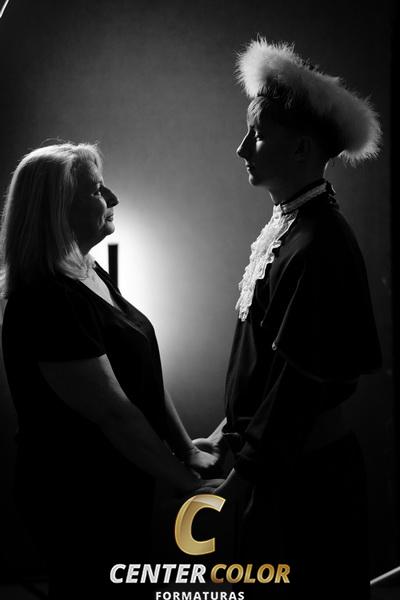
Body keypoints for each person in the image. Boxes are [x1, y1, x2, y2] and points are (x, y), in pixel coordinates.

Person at [196, 40, 382, 598]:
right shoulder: (294, 228)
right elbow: (266, 364)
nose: (241, 149)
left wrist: (241, 480)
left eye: (255, 135)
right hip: (283, 468)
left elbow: (297, 384)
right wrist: (227, 434)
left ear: (301, 148)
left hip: (307, 481)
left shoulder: (320, 242)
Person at [0, 143, 221, 599]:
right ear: (58, 209)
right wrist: (188, 483)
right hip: (74, 494)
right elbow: (114, 412)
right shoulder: (46, 300)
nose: (113, 198)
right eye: (97, 190)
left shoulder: (90, 271)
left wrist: (185, 448)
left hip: (116, 478)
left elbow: (141, 373)